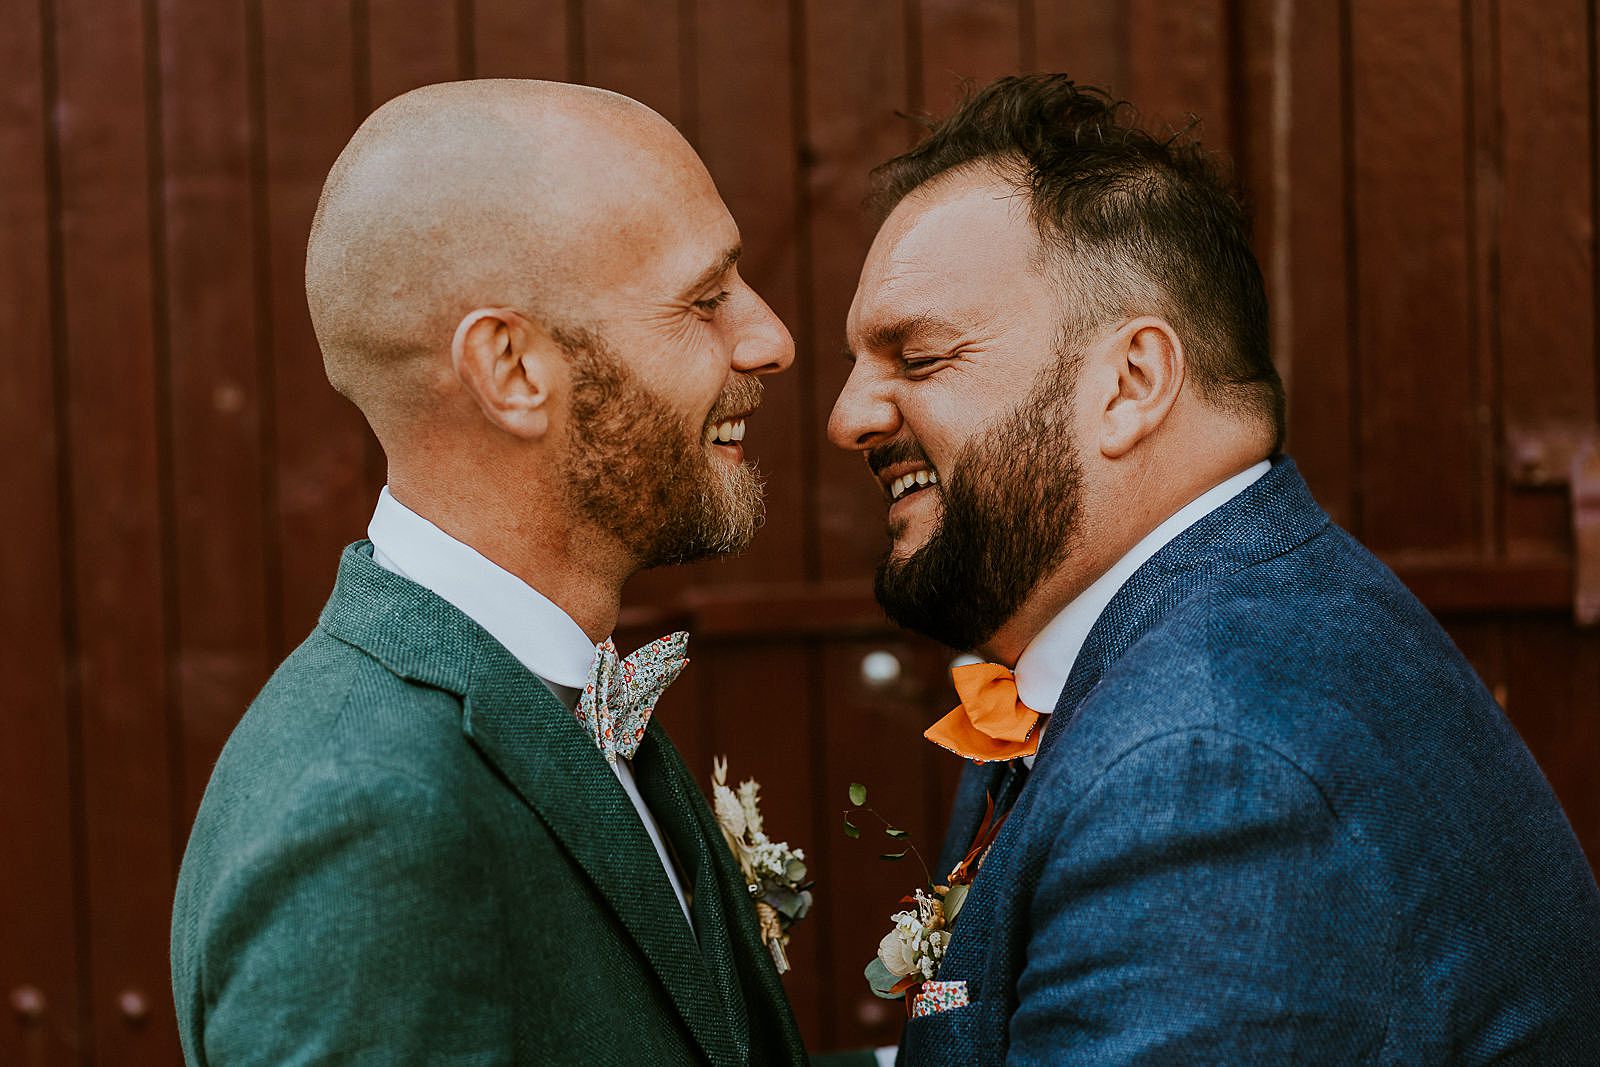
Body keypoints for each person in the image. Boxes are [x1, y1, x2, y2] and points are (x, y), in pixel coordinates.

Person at [830, 74, 1600, 1064]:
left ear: (1131, 382)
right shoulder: (1239, 620)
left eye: (919, 357)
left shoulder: (1202, 769)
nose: (847, 416)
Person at [171, 80, 805, 1065]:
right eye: (705, 299)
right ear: (511, 368)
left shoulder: (550, 691)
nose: (770, 339)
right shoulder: (370, 821)